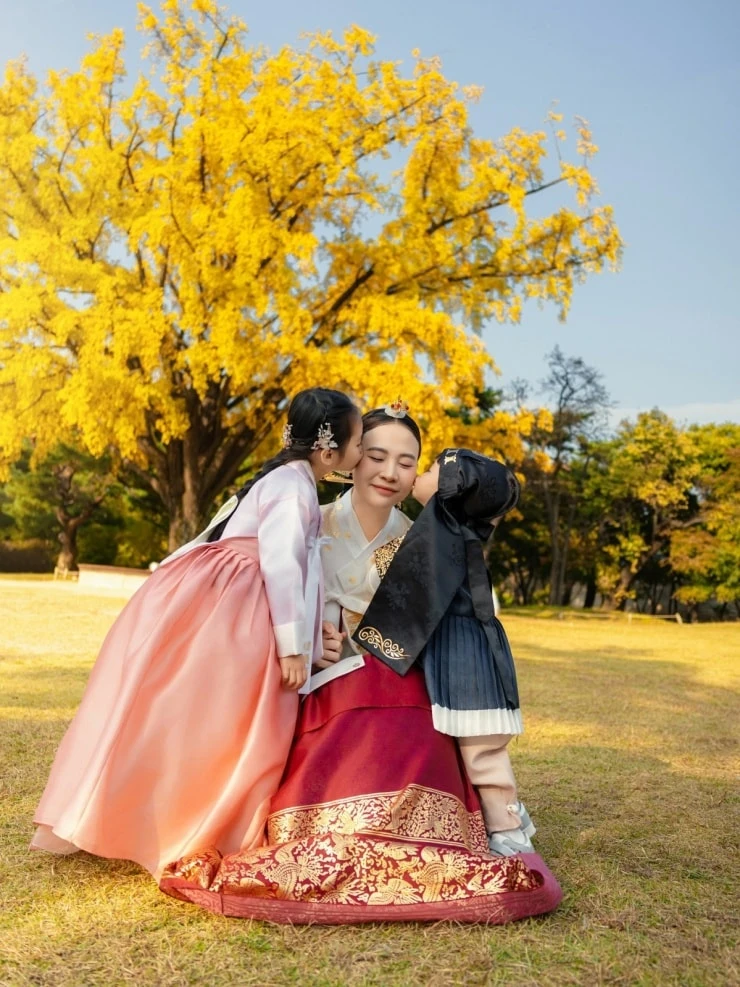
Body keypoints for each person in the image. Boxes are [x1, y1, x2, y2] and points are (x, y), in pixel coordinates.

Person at [159, 407, 561, 923]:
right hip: (317, 683)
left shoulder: (423, 538)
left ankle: (427, 833)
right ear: (350, 458)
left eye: (406, 462)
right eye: (376, 456)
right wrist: (309, 639)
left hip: (402, 683)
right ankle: (329, 826)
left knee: (411, 725)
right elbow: (257, 598)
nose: (390, 472)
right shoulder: (308, 517)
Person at [31, 388, 363, 879]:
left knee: (204, 713)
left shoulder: (288, 479)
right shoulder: (293, 487)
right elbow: (283, 565)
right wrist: (294, 647)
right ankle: (191, 823)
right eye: (358, 443)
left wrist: (310, 639)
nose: (361, 452)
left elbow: (299, 569)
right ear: (329, 450)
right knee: (228, 717)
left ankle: (179, 816)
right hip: (242, 603)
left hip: (234, 598)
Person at [356, 448, 534, 855]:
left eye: (430, 470)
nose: (419, 475)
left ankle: (508, 826)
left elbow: (407, 586)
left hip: (464, 654)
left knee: (480, 745)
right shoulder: (449, 534)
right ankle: (505, 814)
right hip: (460, 646)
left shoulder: (443, 538)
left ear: (451, 488)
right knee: (472, 744)